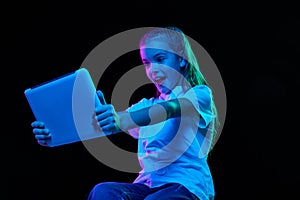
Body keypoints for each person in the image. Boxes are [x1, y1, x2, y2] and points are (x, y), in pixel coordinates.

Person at [31, 26, 220, 200]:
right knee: (103, 192)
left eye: (161, 59)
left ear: (181, 60)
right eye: (146, 63)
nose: (152, 70)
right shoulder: (145, 105)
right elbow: (105, 125)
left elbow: (170, 110)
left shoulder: (199, 95)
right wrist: (53, 134)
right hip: (147, 186)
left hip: (185, 186)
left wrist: (120, 119)